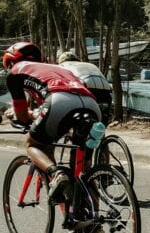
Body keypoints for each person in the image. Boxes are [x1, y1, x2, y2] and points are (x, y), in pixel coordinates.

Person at [3, 42, 102, 201]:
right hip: (91, 104)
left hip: (59, 101)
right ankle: (93, 222)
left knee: (32, 144)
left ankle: (57, 174)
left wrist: (18, 114)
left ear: (10, 62)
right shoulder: (57, 69)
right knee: (84, 171)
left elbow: (22, 117)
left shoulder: (14, 72)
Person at [57, 50, 114, 123]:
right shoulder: (90, 65)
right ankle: (100, 131)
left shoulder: (62, 66)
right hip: (106, 92)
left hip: (86, 90)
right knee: (102, 118)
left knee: (76, 114)